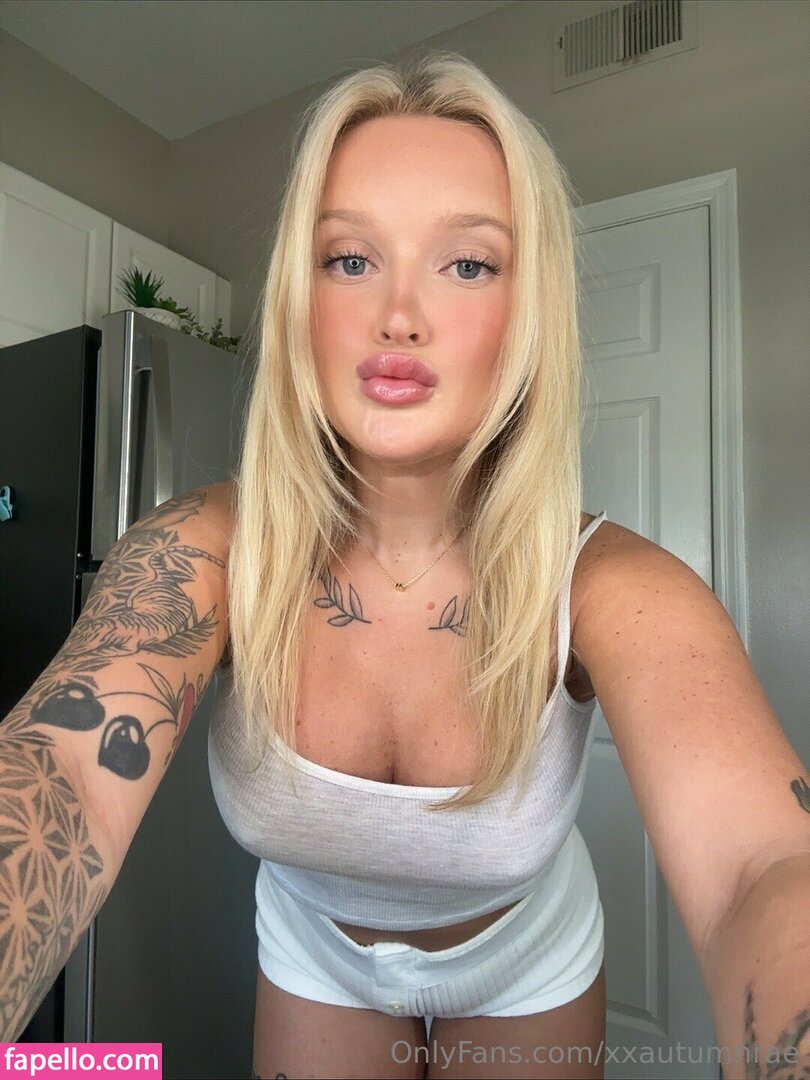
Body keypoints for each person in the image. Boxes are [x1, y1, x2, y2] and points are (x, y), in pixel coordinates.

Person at [1, 51, 808, 1080]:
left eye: (467, 264)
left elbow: (759, 867)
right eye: (350, 259)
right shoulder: (205, 549)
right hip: (313, 952)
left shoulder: (613, 586)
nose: (398, 313)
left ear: (528, 311)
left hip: (527, 959)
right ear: (300, 300)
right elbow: (63, 774)